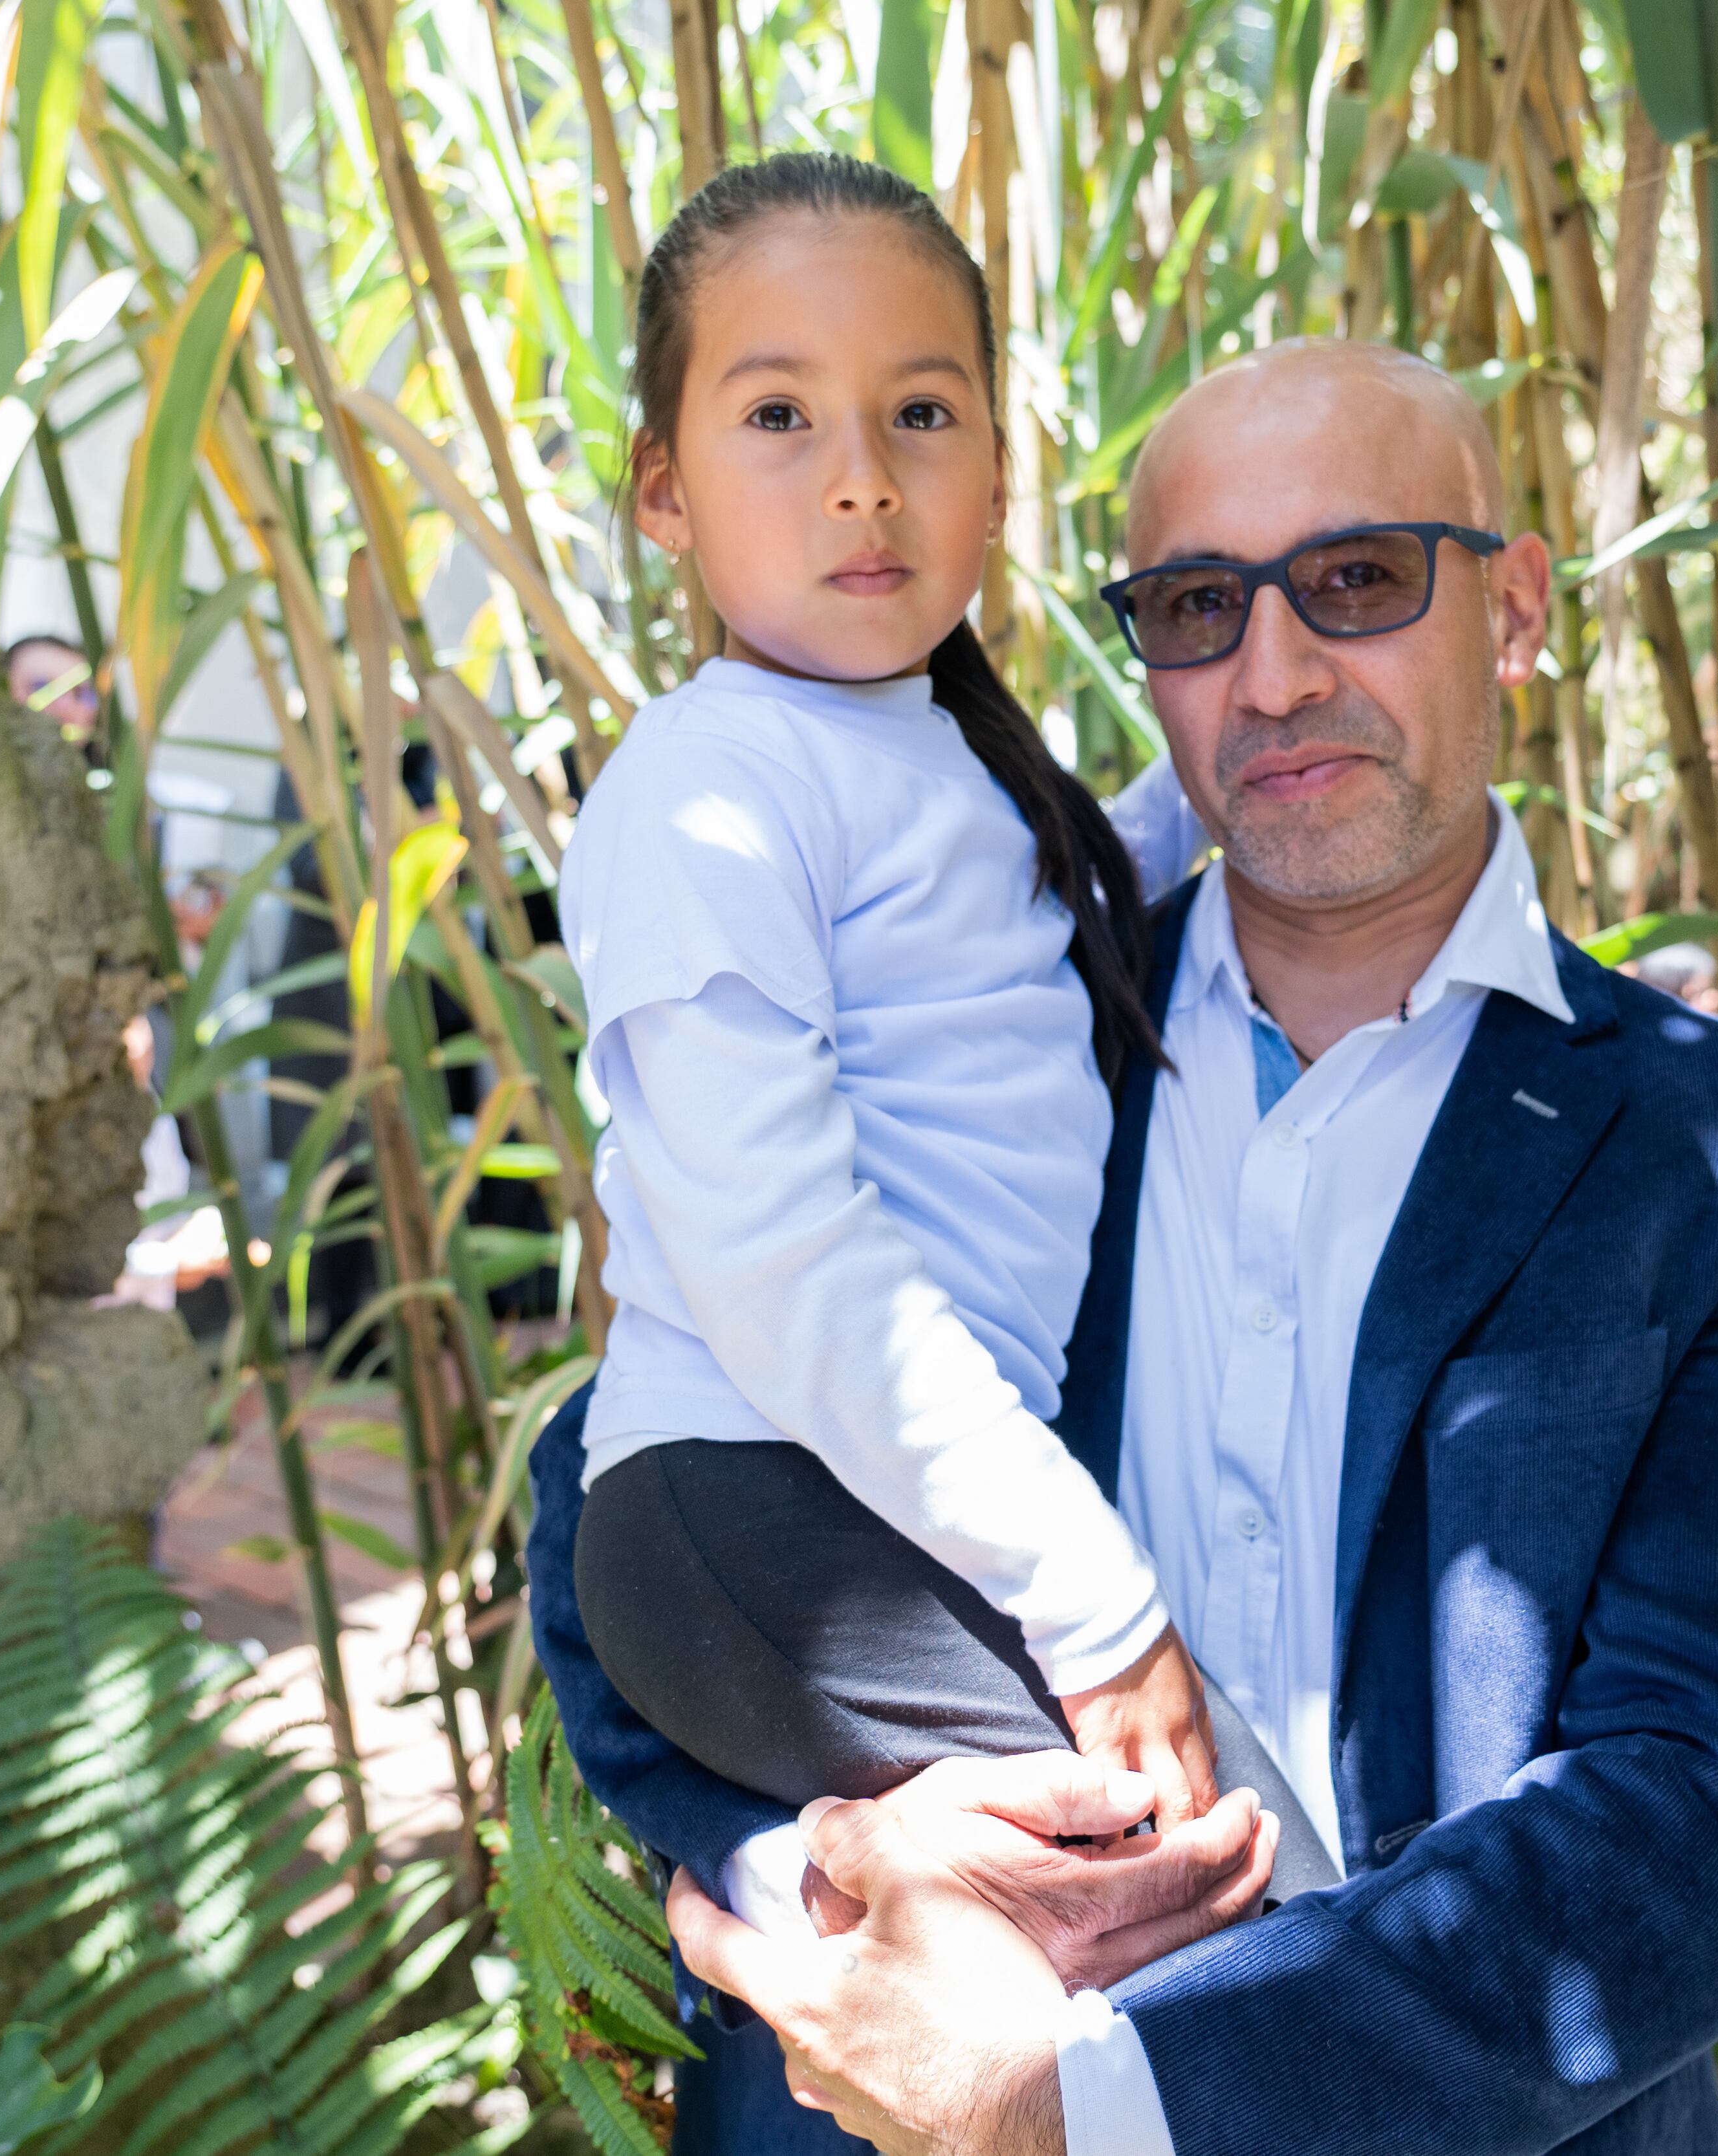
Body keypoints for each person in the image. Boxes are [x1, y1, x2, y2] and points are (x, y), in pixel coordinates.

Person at [529, 334, 1718, 2155]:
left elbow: (1715, 1818)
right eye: (1197, 607)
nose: (1274, 674)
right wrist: (827, 1865)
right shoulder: (1002, 1034)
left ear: (1514, 612)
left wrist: (1089, 2102)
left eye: (1356, 580)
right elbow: (628, 1480)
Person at [552, 149, 1340, 1945]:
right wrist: (1098, 1606)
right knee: (1236, 1882)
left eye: (922, 411)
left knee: (1179, 1905)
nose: (860, 478)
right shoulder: (704, 794)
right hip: (765, 1510)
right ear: (663, 493)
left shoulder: (938, 757)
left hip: (880, 1504)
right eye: (777, 415)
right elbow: (779, 1262)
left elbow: (1054, 905)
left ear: (996, 464)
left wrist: (1254, 746)